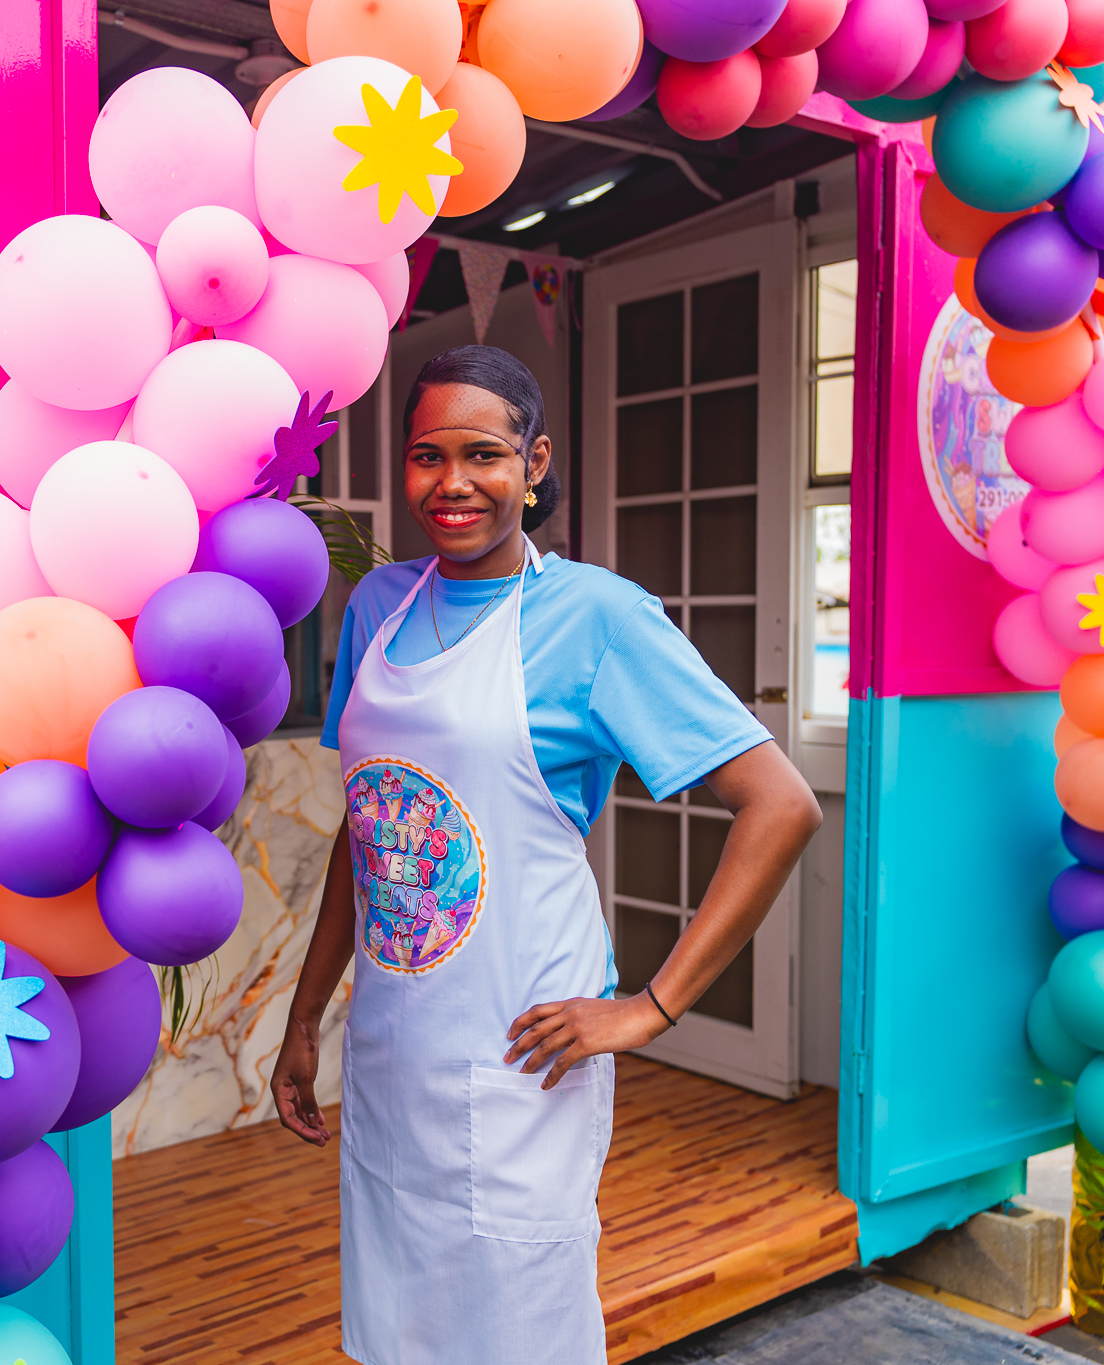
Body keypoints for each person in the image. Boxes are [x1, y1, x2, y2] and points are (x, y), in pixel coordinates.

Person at [270, 346, 822, 1365]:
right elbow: (370, 828)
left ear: (533, 463)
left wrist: (650, 1008)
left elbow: (778, 806)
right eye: (426, 457)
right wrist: (305, 1017)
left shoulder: (596, 617)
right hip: (396, 1046)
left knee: (515, 1326)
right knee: (399, 1324)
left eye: (481, 454)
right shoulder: (377, 605)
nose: (451, 484)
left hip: (524, 1046)